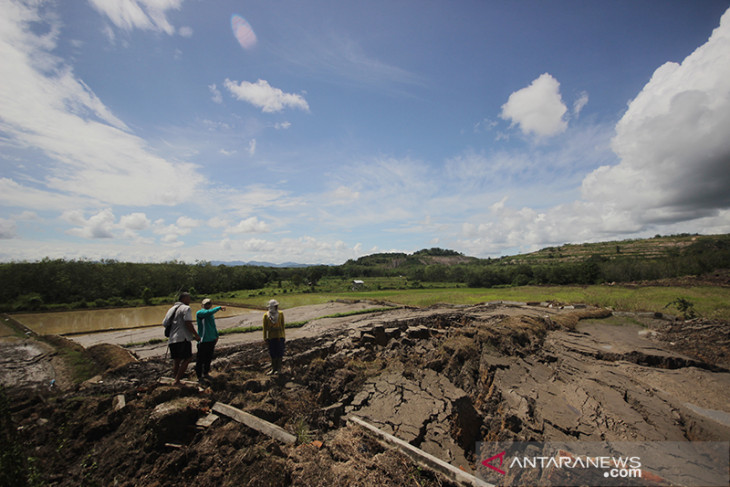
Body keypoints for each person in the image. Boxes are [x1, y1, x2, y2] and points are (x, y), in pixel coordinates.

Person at [164, 292, 200, 385]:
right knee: (188, 358)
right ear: (183, 299)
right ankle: (177, 380)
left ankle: (176, 379)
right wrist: (196, 334)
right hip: (183, 338)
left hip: (172, 338)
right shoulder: (186, 308)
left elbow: (165, 323)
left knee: (177, 360)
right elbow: (188, 323)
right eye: (188, 298)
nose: (190, 300)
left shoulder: (171, 309)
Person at [195, 298, 224, 382]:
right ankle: (199, 376)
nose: (207, 305)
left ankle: (206, 373)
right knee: (200, 359)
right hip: (203, 340)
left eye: (209, 304)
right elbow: (208, 312)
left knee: (208, 358)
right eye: (206, 304)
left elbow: (213, 326)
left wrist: (216, 335)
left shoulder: (211, 315)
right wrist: (219, 308)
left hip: (211, 339)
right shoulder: (200, 313)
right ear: (202, 305)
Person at [262, 299, 285, 375]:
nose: (277, 307)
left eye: (277, 306)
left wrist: (283, 336)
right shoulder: (266, 316)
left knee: (280, 352)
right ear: (272, 307)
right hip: (271, 337)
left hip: (280, 336)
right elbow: (265, 328)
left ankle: (279, 369)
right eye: (275, 306)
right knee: (273, 353)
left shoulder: (280, 314)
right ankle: (273, 369)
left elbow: (282, 326)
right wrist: (265, 337)